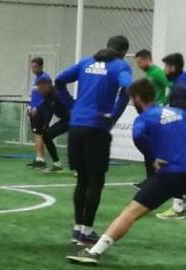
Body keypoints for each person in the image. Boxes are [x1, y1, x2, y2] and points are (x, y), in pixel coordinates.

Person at [68, 79, 186, 265]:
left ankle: (94, 252)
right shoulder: (180, 113)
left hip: (169, 173)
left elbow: (138, 136)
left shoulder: (144, 118)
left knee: (131, 213)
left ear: (138, 98)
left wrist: (152, 156)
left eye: (132, 99)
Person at [55, 35, 132, 247]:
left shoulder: (86, 62)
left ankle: (77, 229)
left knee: (82, 180)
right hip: (97, 127)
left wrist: (72, 106)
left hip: (76, 126)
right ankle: (86, 232)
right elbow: (128, 88)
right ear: (124, 51)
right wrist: (114, 115)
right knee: (96, 181)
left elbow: (59, 80)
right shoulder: (120, 66)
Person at [154, 52, 186, 220]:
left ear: (172, 67)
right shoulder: (181, 81)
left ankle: (178, 207)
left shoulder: (179, 88)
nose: (164, 70)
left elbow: (178, 116)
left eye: (166, 66)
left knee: (175, 168)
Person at [30, 77, 73, 173]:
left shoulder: (56, 95)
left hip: (75, 119)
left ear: (47, 86)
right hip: (66, 120)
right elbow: (44, 107)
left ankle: (79, 169)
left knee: (76, 143)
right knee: (47, 136)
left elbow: (49, 112)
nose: (40, 91)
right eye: (39, 89)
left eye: (41, 88)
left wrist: (46, 125)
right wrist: (36, 109)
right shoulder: (48, 95)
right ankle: (57, 164)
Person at [27, 57, 53, 169]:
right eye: (32, 66)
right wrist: (30, 106)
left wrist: (37, 107)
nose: (33, 69)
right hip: (34, 111)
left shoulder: (45, 78)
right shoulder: (36, 80)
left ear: (41, 66)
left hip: (42, 111)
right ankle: (38, 158)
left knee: (39, 134)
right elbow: (34, 96)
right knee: (36, 134)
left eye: (35, 67)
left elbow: (46, 96)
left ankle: (41, 160)